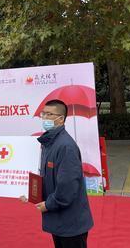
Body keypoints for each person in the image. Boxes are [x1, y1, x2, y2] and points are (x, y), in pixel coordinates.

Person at [32, 99, 94, 248]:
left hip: (71, 223)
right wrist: (31, 193)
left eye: (49, 114)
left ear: (60, 119)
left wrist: (48, 204)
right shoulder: (49, 142)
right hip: (60, 220)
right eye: (43, 114)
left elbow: (67, 187)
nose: (44, 118)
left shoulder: (65, 146)